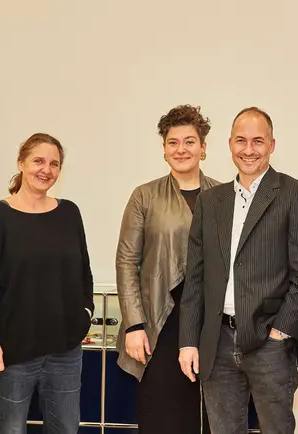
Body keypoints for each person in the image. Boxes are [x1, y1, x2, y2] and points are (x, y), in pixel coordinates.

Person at [178, 106, 298, 434]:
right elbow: (196, 277)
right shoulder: (210, 201)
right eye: (241, 141)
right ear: (229, 144)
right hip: (217, 343)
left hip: (269, 343)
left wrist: (280, 333)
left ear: (271, 145)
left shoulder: (295, 194)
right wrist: (188, 341)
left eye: (258, 141)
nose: (248, 149)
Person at [0, 133, 94, 433]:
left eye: (54, 164)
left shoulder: (69, 213)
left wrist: (84, 316)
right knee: (10, 429)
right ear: (21, 163)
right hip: (12, 354)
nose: (46, 170)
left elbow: (83, 273)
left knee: (65, 428)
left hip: (65, 353)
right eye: (38, 161)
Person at [115, 105, 219, 433]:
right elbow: (126, 261)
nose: (181, 149)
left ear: (204, 148)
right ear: (163, 150)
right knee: (160, 416)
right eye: (173, 142)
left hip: (207, 326)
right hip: (158, 326)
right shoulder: (144, 196)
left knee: (202, 418)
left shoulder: (224, 196)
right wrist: (133, 325)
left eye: (190, 141)